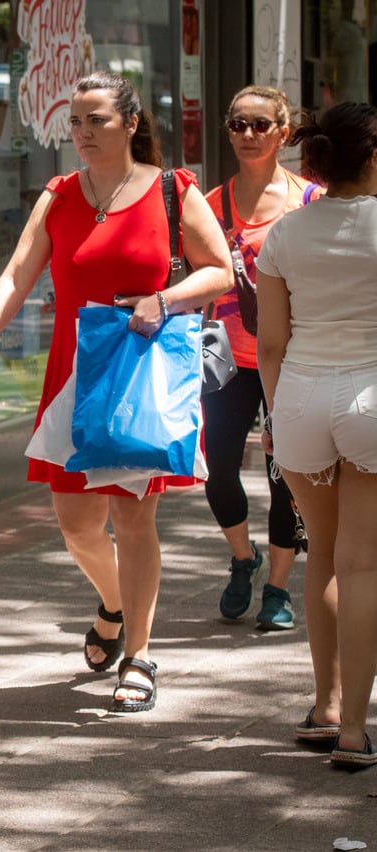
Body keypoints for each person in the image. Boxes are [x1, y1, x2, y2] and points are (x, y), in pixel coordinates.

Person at [0, 71, 232, 713]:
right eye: (75, 121)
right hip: (74, 376)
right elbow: (18, 273)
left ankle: (139, 654)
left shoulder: (171, 189)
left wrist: (164, 298)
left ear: (131, 123)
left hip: (138, 371)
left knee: (133, 518)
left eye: (96, 120)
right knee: (75, 528)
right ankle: (113, 604)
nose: (82, 133)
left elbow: (220, 268)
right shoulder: (60, 194)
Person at [255, 101, 377, 768]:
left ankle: (324, 707)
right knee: (365, 564)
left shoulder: (286, 233)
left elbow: (271, 344)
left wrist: (277, 418)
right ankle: (356, 730)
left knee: (322, 554)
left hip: (300, 398)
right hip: (372, 399)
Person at [203, 86, 313, 630]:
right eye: (238, 124)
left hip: (291, 360)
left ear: (283, 134)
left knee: (284, 477)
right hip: (227, 360)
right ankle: (242, 559)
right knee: (218, 470)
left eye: (260, 125)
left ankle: (277, 589)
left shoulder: (308, 201)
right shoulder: (209, 204)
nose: (247, 135)